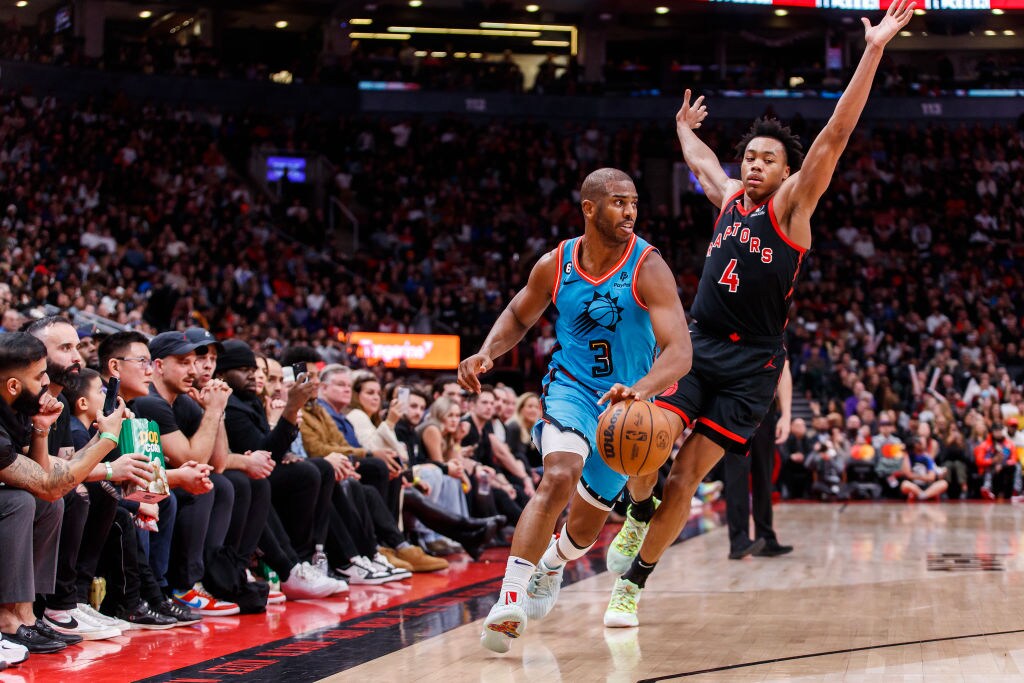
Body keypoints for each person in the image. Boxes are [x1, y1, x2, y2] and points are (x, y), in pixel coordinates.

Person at [599, 0, 916, 629]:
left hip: (752, 365)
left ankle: (632, 586)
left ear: (788, 171)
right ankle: (636, 513)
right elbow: (698, 159)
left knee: (686, 478)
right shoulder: (727, 198)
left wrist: (874, 49)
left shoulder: (793, 208)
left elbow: (835, 136)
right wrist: (683, 127)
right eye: (749, 157)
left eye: (768, 159)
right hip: (696, 346)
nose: (754, 165)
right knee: (643, 439)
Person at [458, 167, 692, 653]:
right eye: (618, 202)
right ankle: (509, 599)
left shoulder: (648, 265)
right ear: (589, 208)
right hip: (573, 389)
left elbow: (680, 352)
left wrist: (640, 390)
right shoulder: (556, 263)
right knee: (559, 474)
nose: (630, 212)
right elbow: (520, 313)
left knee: (585, 528)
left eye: (633, 203)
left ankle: (552, 563)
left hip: (626, 405)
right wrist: (487, 352)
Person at [724, 358, 793, 559]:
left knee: (764, 474)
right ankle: (739, 540)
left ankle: (766, 538)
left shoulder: (777, 336)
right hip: (733, 405)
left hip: (765, 408)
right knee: (738, 474)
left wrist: (786, 415)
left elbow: (784, 367)